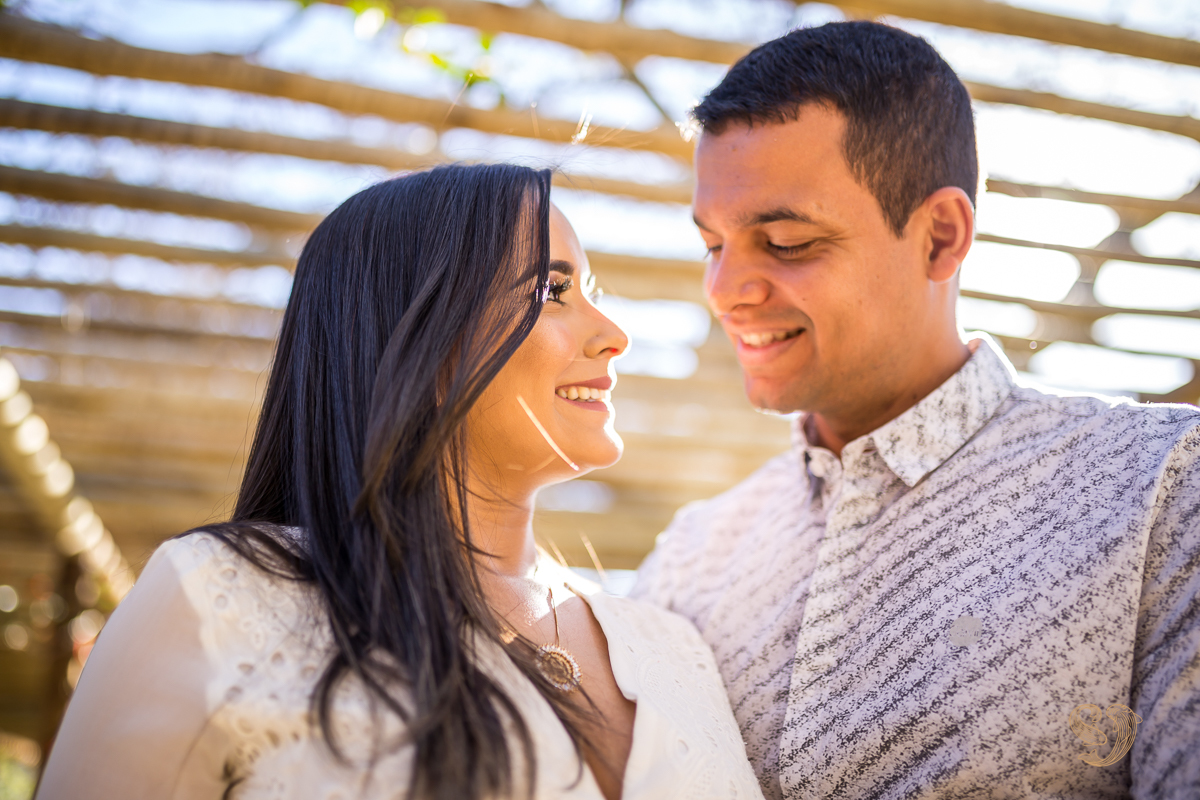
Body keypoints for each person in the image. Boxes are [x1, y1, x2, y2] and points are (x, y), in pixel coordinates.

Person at [37, 164, 764, 800]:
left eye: (592, 289)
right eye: (552, 289)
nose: (615, 331)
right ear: (416, 333)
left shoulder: (675, 647)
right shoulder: (218, 597)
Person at [632, 20, 1200, 800]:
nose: (727, 290)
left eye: (787, 241)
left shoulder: (1162, 487)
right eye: (713, 244)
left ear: (940, 236)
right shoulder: (689, 560)